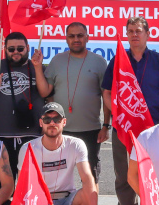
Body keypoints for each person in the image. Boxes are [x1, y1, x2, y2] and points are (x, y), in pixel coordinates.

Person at [102, 17, 159, 205]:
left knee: (157, 175)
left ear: (148, 34)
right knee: (124, 176)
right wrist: (118, 113)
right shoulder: (118, 60)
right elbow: (107, 92)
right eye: (131, 31)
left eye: (139, 31)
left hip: (154, 129)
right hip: (124, 128)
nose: (135, 34)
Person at [19, 103, 101, 205]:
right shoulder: (28, 148)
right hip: (40, 203)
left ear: (64, 122)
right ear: (40, 122)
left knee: (86, 193)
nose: (52, 123)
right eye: (47, 119)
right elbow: (22, 188)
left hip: (66, 203)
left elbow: (87, 178)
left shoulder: (76, 144)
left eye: (56, 119)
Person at [44, 22, 110, 180]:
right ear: (66, 39)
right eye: (71, 36)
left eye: (80, 35)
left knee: (90, 173)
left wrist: (106, 126)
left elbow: (106, 95)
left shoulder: (99, 62)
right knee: (57, 175)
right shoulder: (56, 61)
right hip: (61, 129)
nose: (76, 39)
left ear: (87, 37)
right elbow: (47, 93)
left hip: (91, 130)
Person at [0, 31, 51, 175]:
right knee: (3, 185)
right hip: (0, 136)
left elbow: (47, 96)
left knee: (30, 182)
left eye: (20, 48)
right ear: (5, 49)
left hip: (33, 135)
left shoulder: (40, 68)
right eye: (11, 49)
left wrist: (37, 67)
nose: (15, 52)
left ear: (28, 48)